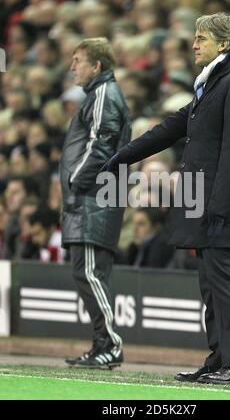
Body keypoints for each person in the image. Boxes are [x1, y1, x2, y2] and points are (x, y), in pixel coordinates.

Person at [102, 13, 230, 385]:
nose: (194, 44)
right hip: (202, 200)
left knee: (222, 280)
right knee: (209, 283)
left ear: (224, 44)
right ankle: (221, 359)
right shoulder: (211, 85)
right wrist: (126, 154)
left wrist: (218, 207)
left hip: (220, 204)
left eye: (202, 38)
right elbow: (172, 127)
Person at [59, 37, 131, 368]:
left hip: (93, 199)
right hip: (91, 198)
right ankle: (102, 345)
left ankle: (110, 344)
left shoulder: (104, 94)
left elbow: (101, 145)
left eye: (78, 60)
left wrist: (74, 181)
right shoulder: (98, 95)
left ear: (97, 66)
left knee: (89, 273)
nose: (72, 66)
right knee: (88, 273)